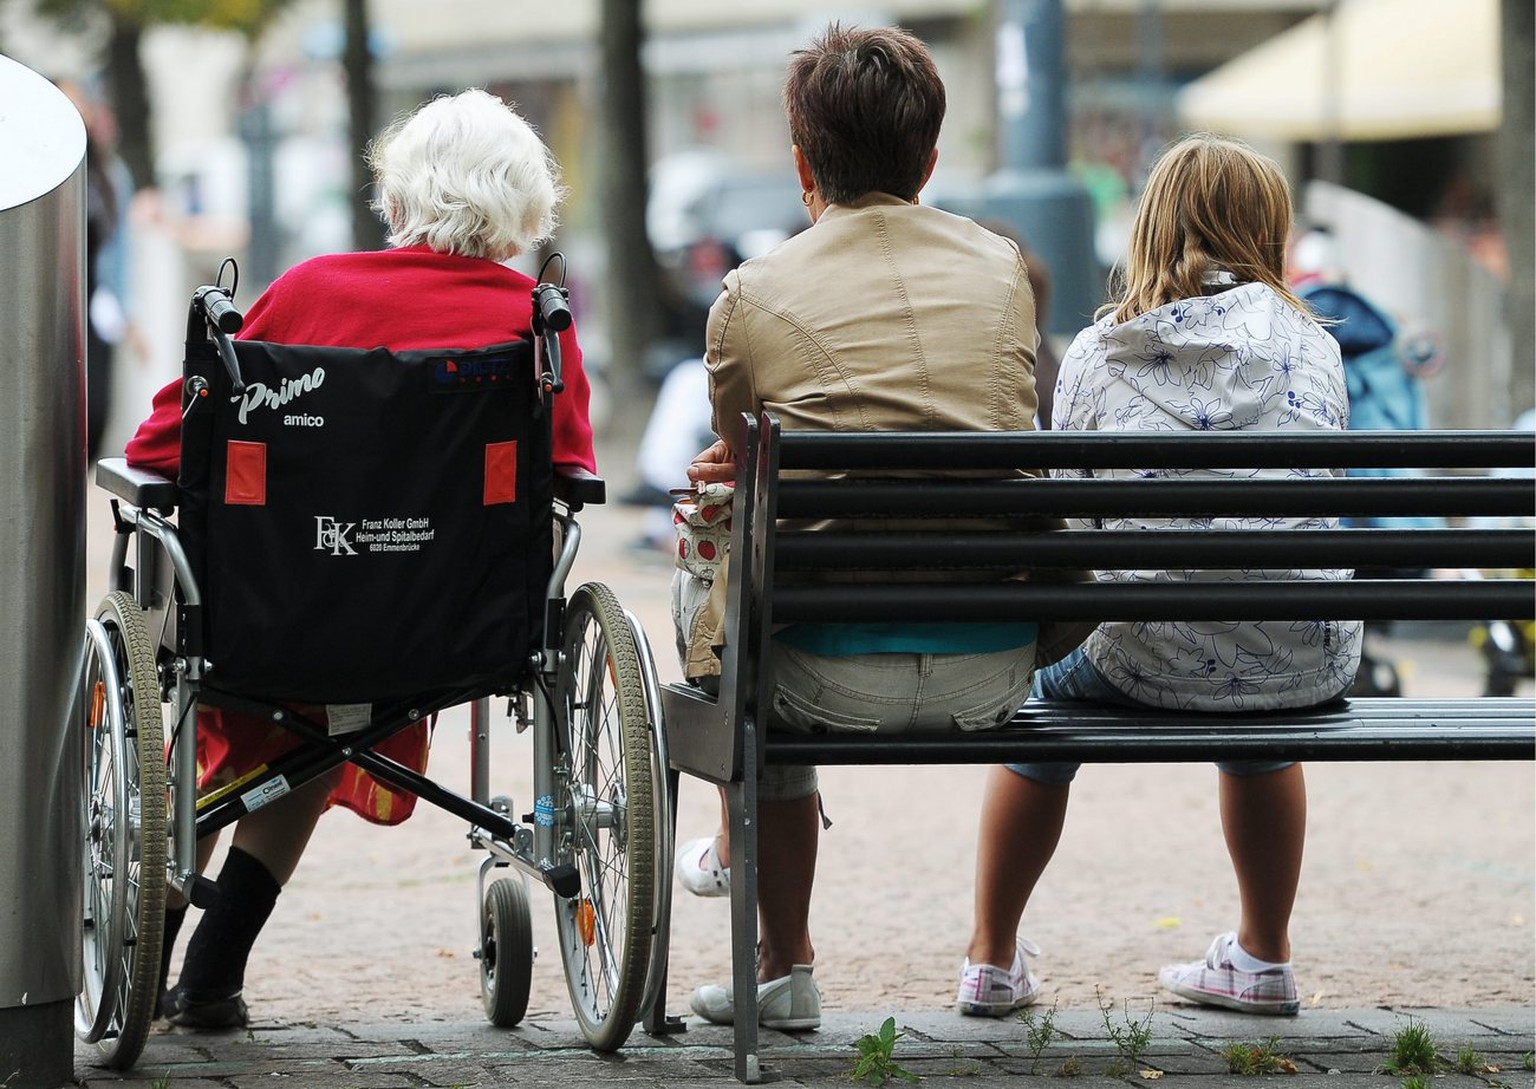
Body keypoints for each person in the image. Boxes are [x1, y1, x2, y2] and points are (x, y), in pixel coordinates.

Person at [124, 89, 595, 1029]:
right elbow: (573, 473)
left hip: (286, 611)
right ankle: (214, 968)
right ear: (522, 205)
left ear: (401, 195)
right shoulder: (533, 323)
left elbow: (161, 448)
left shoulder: (307, 292)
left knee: (280, 700)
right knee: (321, 715)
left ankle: (168, 938)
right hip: (455, 624)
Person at [672, 23, 1087, 1032]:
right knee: (781, 568)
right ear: (931, 160)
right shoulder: (1000, 270)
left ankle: (785, 963)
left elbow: (740, 465)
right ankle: (776, 941)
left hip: (823, 678)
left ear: (804, 163)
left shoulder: (751, 296)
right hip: (991, 669)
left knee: (732, 560)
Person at [959, 133, 1363, 1019]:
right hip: (1301, 655)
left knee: (1040, 710)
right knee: (1261, 679)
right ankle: (1263, 954)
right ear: (1267, 231)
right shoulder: (1313, 346)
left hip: (1137, 654)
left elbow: (1068, 527)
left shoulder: (1102, 352)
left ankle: (991, 957)